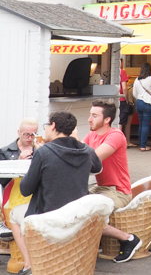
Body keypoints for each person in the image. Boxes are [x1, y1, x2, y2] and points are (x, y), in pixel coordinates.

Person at [13, 112, 102, 275]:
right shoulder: (86, 150)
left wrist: (36, 161)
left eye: (46, 126)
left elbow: (25, 189)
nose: (45, 130)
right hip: (78, 216)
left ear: (53, 126)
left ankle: (29, 265)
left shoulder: (44, 152)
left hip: (48, 216)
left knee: (13, 214)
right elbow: (98, 167)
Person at [84, 101, 142, 263]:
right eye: (90, 114)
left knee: (87, 215)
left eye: (94, 116)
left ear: (107, 119)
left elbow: (92, 158)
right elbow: (77, 151)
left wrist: (73, 139)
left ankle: (129, 239)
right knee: (71, 206)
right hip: (101, 188)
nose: (89, 119)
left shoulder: (115, 135)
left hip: (118, 191)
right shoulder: (92, 135)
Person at [0, 118, 38, 239]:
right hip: (12, 195)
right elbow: (2, 180)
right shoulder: (6, 151)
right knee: (14, 228)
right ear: (19, 132)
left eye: (33, 134)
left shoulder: (40, 150)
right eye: (26, 134)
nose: (30, 138)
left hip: (34, 195)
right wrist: (18, 163)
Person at [132, 63, 151, 151]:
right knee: (145, 126)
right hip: (148, 103)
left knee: (141, 125)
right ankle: (143, 146)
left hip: (139, 103)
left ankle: (141, 144)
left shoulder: (137, 79)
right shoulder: (150, 79)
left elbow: (134, 94)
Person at [118, 58, 135, 147]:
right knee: (122, 122)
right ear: (121, 63)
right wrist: (127, 99)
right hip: (121, 100)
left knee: (117, 121)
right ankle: (120, 143)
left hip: (114, 99)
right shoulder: (122, 72)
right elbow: (124, 88)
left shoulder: (110, 71)